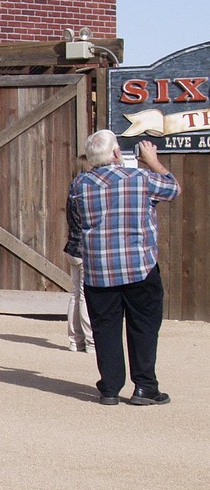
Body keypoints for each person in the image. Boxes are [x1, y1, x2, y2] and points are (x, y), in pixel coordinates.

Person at [69, 130, 179, 406]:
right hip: (138, 266)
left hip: (99, 268)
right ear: (117, 154)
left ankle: (109, 388)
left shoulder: (79, 185)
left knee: (105, 328)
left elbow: (76, 219)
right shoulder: (140, 179)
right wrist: (152, 160)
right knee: (143, 326)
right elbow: (172, 189)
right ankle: (145, 386)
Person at [63, 149, 93, 353]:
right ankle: (91, 341)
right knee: (84, 295)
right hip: (84, 249)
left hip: (72, 247)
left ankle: (75, 340)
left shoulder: (72, 191)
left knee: (75, 294)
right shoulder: (86, 193)